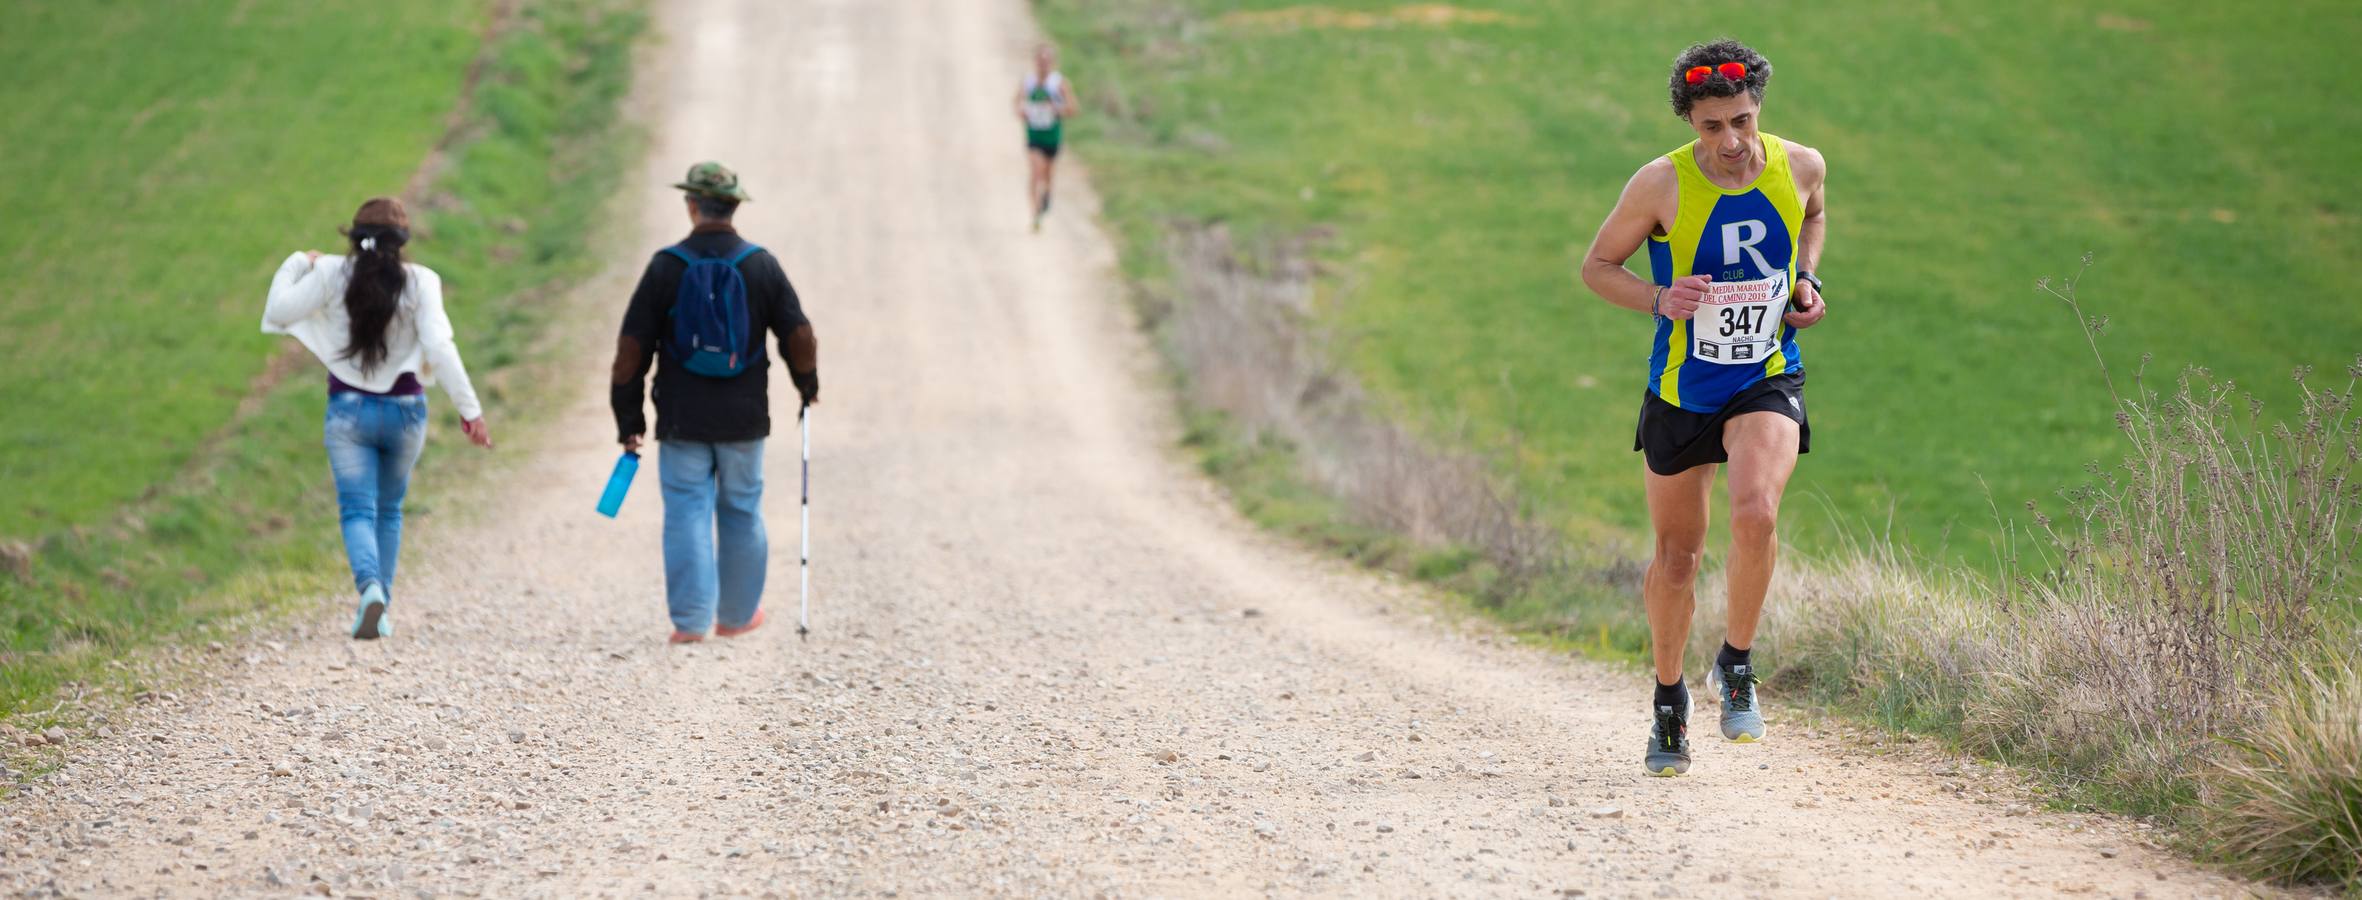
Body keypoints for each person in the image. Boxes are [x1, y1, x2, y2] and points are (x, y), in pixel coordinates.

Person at [1577, 39, 1829, 776]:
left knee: (1756, 513)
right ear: (1691, 123)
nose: (1730, 141)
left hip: (1766, 374)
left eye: (1742, 121)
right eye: (1711, 126)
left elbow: (1813, 216)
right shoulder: (1660, 184)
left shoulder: (1803, 164)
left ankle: (1738, 663)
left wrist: (1807, 281)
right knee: (1678, 561)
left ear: (1759, 110)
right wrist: (1660, 298)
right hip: (1684, 388)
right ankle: (1667, 698)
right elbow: (1596, 267)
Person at [263, 197, 494, 641]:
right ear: (403, 241)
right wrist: (471, 411)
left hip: (348, 411)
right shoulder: (421, 281)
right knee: (389, 511)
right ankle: (380, 606)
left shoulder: (331, 272)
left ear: (353, 236)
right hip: (406, 413)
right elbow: (440, 347)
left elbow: (279, 310)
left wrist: (298, 261)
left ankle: (369, 589)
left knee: (356, 509)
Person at [610, 161, 820, 644]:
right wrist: (806, 385)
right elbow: (800, 334)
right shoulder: (759, 264)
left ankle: (689, 623)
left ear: (691, 206)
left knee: (685, 511)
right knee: (742, 509)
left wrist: (629, 417)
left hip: (681, 417)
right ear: (734, 206)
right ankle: (737, 616)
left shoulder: (666, 266)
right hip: (745, 417)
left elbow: (630, 351)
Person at [1014, 44, 1080, 232]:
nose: (1043, 64)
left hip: (1052, 136)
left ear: (1052, 63)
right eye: (1040, 61)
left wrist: (1057, 109)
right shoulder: (1028, 83)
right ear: (1035, 62)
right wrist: (1022, 112)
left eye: (1047, 61)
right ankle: (1035, 214)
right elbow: (1017, 103)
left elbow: (1074, 108)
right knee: (1036, 172)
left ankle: (1048, 195)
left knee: (1048, 174)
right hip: (1034, 135)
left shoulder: (1059, 84)